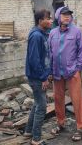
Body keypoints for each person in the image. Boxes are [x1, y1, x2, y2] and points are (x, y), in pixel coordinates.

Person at [48, 6, 82, 142]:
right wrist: (50, 71)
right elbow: (50, 53)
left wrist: (78, 68)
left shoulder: (76, 32)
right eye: (64, 15)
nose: (67, 17)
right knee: (58, 99)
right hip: (57, 72)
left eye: (69, 15)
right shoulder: (52, 33)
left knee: (77, 99)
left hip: (72, 72)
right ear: (58, 16)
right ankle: (61, 123)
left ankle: (80, 127)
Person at [24, 9, 53, 145]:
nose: (51, 20)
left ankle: (28, 131)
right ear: (40, 21)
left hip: (39, 76)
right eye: (48, 18)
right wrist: (43, 77)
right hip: (37, 77)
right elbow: (34, 60)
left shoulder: (42, 34)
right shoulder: (36, 36)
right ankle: (36, 139)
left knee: (37, 104)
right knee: (42, 106)